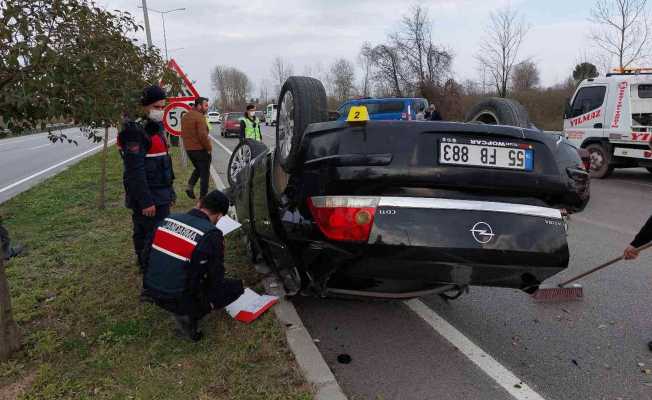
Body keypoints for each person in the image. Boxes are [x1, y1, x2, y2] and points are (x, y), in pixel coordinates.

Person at [142, 190, 244, 341]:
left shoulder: (168, 219)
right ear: (220, 216)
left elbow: (145, 257)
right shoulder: (211, 234)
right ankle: (189, 314)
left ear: (199, 204)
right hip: (178, 297)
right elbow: (215, 278)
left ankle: (170, 298)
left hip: (150, 288)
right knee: (235, 287)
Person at [118, 85, 176, 270]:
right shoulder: (134, 132)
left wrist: (170, 191)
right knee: (147, 233)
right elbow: (135, 170)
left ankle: (153, 264)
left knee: (158, 232)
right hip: (148, 196)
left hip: (160, 191)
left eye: (162, 107)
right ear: (144, 106)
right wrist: (145, 201)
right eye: (157, 107)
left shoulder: (155, 127)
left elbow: (162, 161)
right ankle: (147, 268)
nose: (160, 112)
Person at [181, 96, 212, 200]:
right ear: (199, 106)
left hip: (189, 149)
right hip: (200, 149)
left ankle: (190, 186)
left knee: (199, 168)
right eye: (205, 105)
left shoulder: (185, 116)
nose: (207, 107)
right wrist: (208, 148)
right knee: (205, 174)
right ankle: (203, 200)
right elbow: (202, 135)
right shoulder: (199, 117)